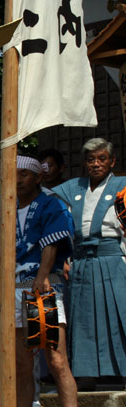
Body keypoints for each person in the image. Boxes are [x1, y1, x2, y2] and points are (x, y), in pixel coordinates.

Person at [0, 154, 85, 407]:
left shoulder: (51, 204)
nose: (19, 179)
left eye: (24, 174)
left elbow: (51, 243)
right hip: (12, 288)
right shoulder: (7, 209)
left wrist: (43, 274)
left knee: (55, 358)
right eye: (14, 174)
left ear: (38, 177)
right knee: (21, 363)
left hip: (41, 288)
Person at [53, 138, 126, 383]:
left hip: (113, 258)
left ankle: (119, 373)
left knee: (116, 315)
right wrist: (63, 256)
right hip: (81, 261)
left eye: (101, 159)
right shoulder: (73, 188)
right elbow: (53, 216)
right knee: (83, 319)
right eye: (91, 159)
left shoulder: (122, 186)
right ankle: (86, 375)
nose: (96, 164)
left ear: (112, 161)